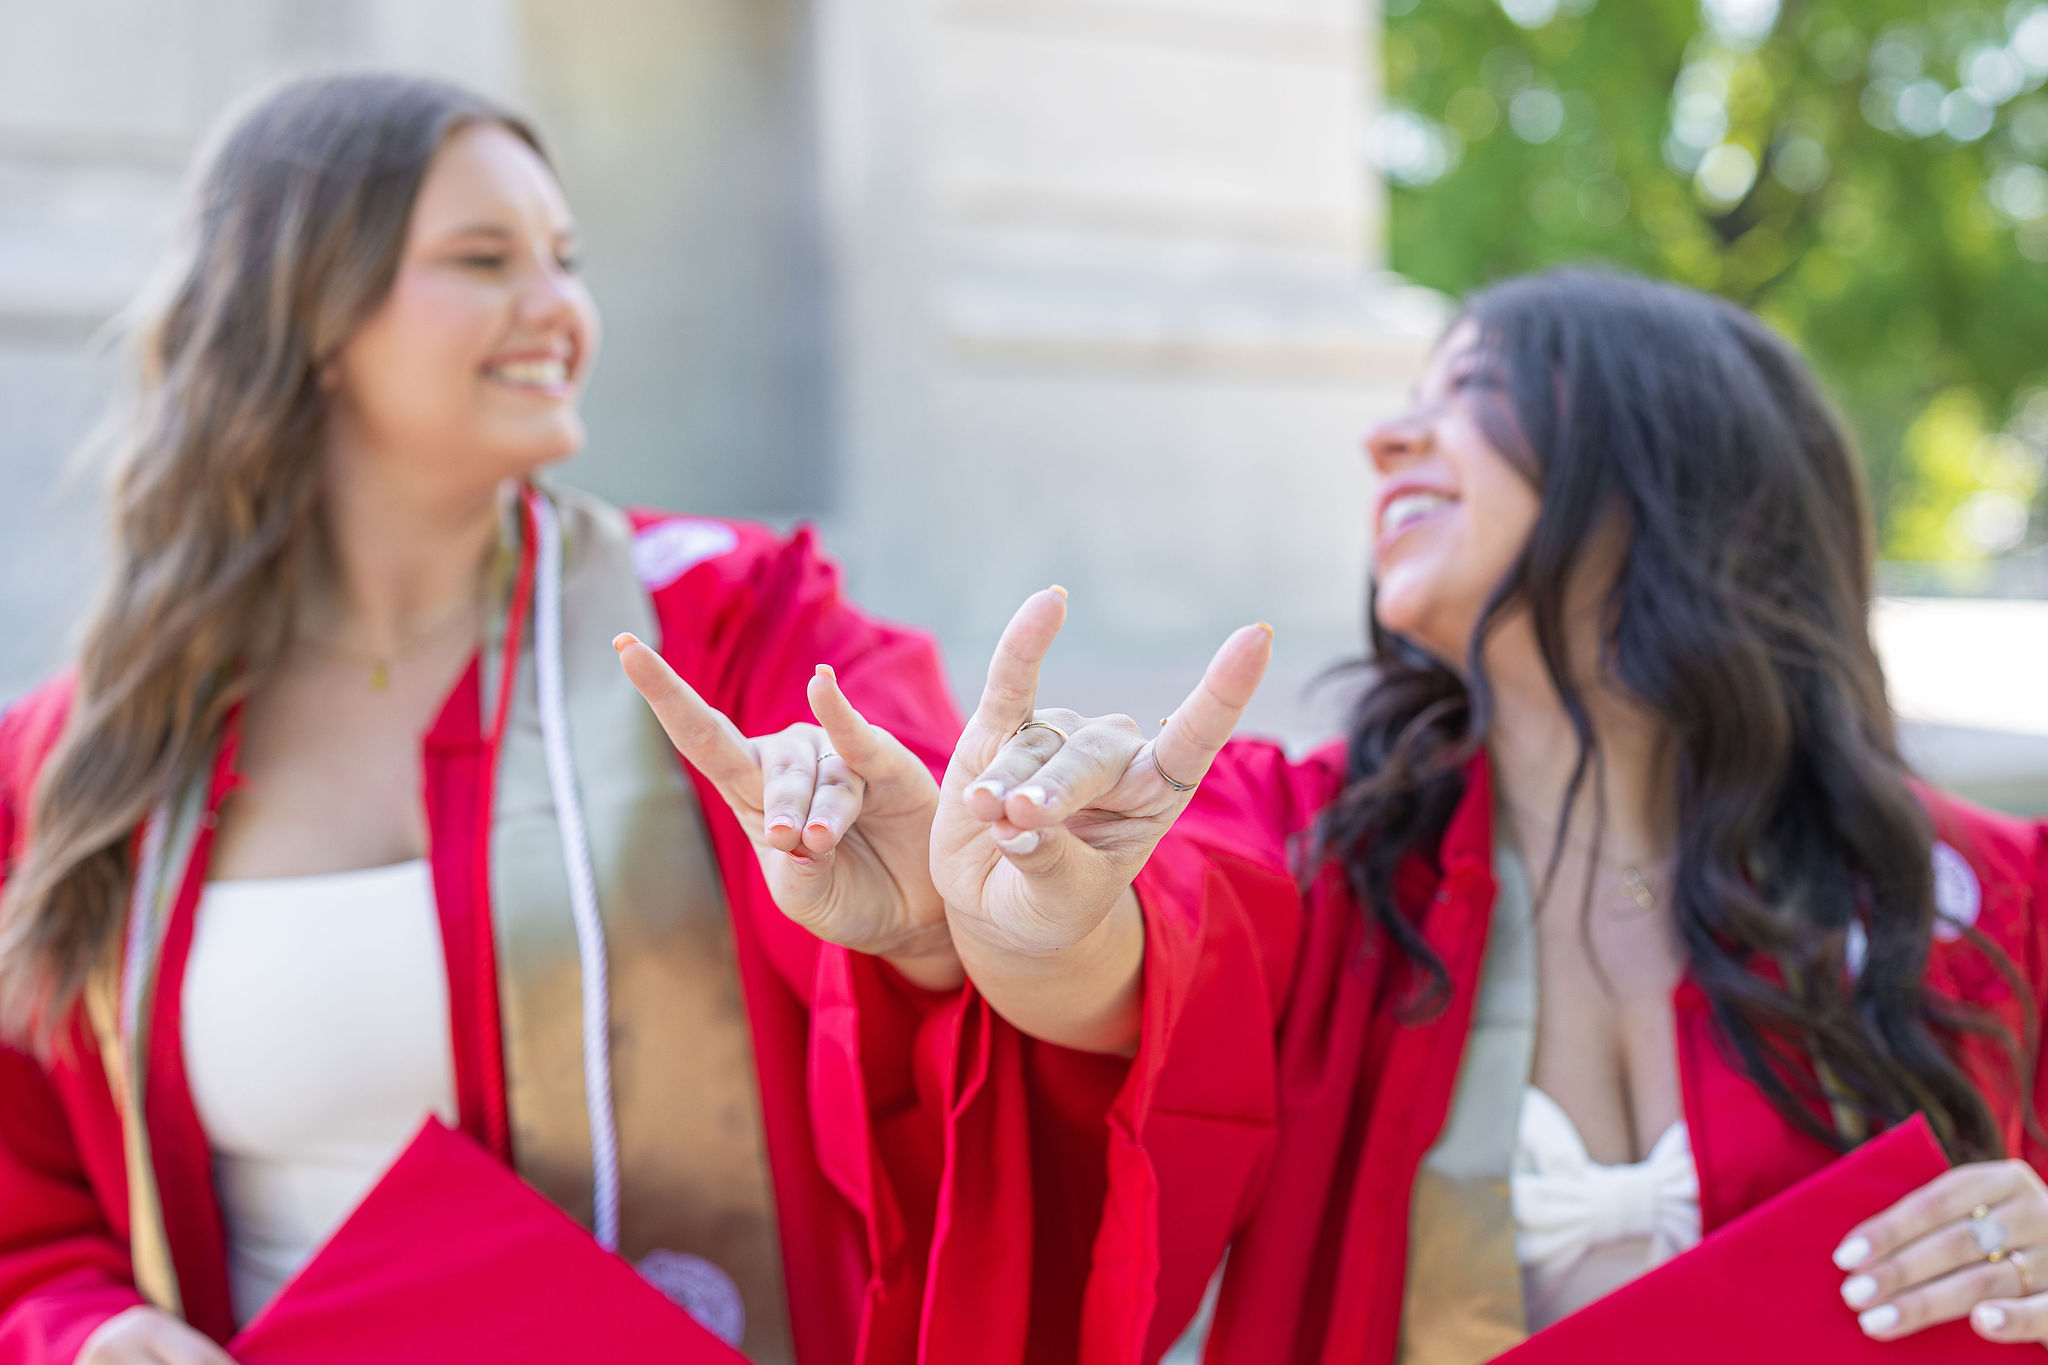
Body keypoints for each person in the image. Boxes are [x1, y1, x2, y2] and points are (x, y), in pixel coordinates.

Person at [0, 73, 968, 1365]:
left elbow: (960, 997)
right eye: (483, 257)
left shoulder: (738, 636)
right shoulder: (91, 762)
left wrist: (928, 909)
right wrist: (93, 1335)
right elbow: (26, 1209)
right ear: (312, 317)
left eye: (566, 259)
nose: (559, 308)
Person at [914, 269, 2048, 1361]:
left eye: (1472, 391)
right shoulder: (1319, 844)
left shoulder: (1987, 895)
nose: (1384, 441)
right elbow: (1149, 948)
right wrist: (1036, 918)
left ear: (1672, 457)